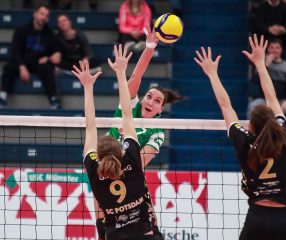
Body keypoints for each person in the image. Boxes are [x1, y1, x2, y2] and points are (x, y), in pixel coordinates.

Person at [194, 34, 286, 240]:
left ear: (251, 126)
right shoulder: (284, 135)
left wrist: (212, 74)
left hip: (257, 217)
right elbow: (272, 97)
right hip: (284, 217)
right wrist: (260, 63)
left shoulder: (244, 141)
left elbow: (226, 106)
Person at [95, 26, 183, 240]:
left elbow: (138, 163)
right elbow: (136, 75)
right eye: (149, 96)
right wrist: (150, 47)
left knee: (151, 230)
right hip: (106, 172)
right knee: (104, 228)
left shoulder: (157, 132)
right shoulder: (129, 106)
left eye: (157, 101)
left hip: (132, 180)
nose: (151, 101)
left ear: (161, 110)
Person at [73, 45, 156, 240]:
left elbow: (90, 126)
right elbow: (128, 114)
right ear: (122, 150)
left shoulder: (94, 170)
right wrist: (120, 73)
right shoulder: (133, 161)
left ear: (98, 156)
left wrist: (87, 88)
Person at [0, 5, 61, 109]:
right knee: (9, 66)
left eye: (46, 16)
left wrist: (54, 55)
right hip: (22, 62)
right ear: (35, 14)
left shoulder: (50, 34)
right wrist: (22, 67)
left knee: (48, 69)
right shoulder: (21, 30)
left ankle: (54, 100)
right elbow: (15, 52)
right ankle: (2, 97)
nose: (44, 17)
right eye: (42, 14)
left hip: (38, 64)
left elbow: (56, 52)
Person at [247, 38, 286, 141]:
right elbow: (254, 81)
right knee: (252, 106)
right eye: (272, 47)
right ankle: (252, 135)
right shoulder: (261, 64)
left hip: (282, 101)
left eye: (277, 48)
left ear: (281, 50)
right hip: (264, 100)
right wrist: (266, 65)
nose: (274, 50)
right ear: (268, 50)